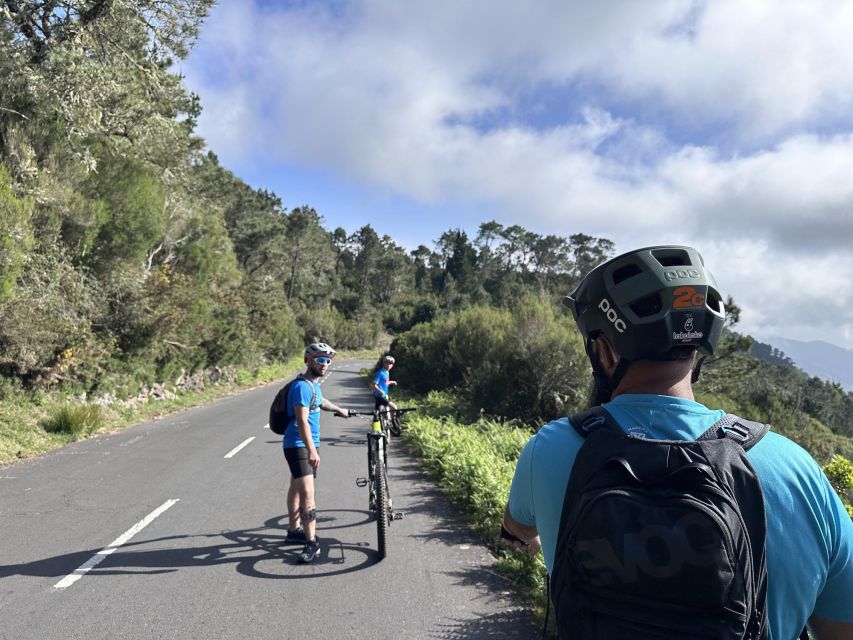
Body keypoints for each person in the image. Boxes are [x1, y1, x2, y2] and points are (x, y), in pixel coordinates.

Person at [503, 246, 853, 640]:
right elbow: (841, 626)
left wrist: (533, 535)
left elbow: (516, 525)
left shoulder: (551, 448)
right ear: (702, 346)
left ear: (603, 351)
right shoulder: (795, 469)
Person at [283, 342, 350, 564]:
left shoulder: (313, 385)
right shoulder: (301, 387)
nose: (325, 364)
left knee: (296, 486)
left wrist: (340, 410)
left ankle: (294, 530)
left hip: (305, 444)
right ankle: (311, 543)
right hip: (300, 445)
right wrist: (312, 450)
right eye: (320, 360)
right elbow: (301, 420)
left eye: (328, 360)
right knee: (308, 495)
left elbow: (321, 402)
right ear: (308, 360)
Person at [372, 355, 398, 431]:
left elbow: (385, 382)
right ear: (383, 363)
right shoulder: (380, 373)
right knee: (394, 408)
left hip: (384, 395)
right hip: (379, 396)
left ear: (392, 365)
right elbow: (374, 385)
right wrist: (381, 391)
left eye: (390, 363)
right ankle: (393, 422)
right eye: (386, 363)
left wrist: (392, 382)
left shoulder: (387, 372)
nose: (388, 365)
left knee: (378, 413)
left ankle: (382, 425)